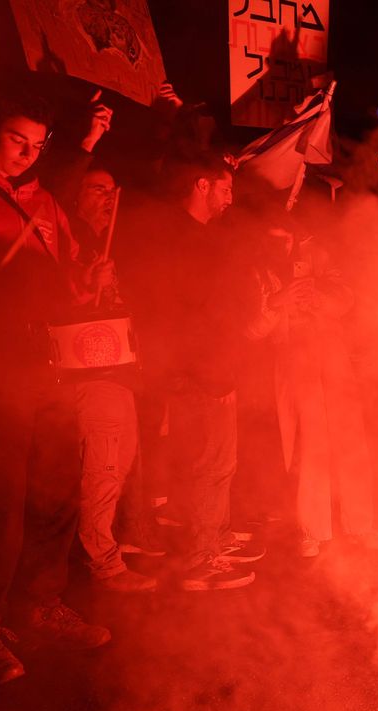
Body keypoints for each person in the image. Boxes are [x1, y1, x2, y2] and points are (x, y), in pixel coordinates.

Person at [0, 92, 111, 687]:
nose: (26, 154)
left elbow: (66, 278)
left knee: (57, 488)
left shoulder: (45, 203)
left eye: (36, 146)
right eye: (17, 140)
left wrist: (83, 285)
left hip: (49, 363)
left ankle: (40, 602)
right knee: (0, 501)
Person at [120, 153, 265, 590]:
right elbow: (188, 318)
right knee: (206, 465)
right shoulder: (177, 238)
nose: (230, 198)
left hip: (215, 367)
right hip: (198, 371)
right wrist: (211, 370)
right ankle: (200, 562)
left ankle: (214, 541)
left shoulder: (206, 236)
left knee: (221, 464)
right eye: (225, 188)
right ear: (201, 185)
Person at [247, 228, 378, 557]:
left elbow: (346, 299)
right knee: (309, 446)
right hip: (293, 362)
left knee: (351, 440)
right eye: (273, 231)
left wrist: (318, 296)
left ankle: (361, 525)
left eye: (286, 232)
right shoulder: (257, 267)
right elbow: (252, 329)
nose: (281, 238)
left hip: (333, 357)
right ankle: (312, 530)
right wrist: (277, 303)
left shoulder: (319, 255)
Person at [67, 165, 160, 591]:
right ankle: (101, 565)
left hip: (118, 371)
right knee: (102, 467)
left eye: (112, 190)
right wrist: (86, 285)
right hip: (90, 372)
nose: (109, 198)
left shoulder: (99, 243)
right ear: (76, 193)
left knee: (119, 465)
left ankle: (110, 550)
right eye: (99, 189)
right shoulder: (69, 240)